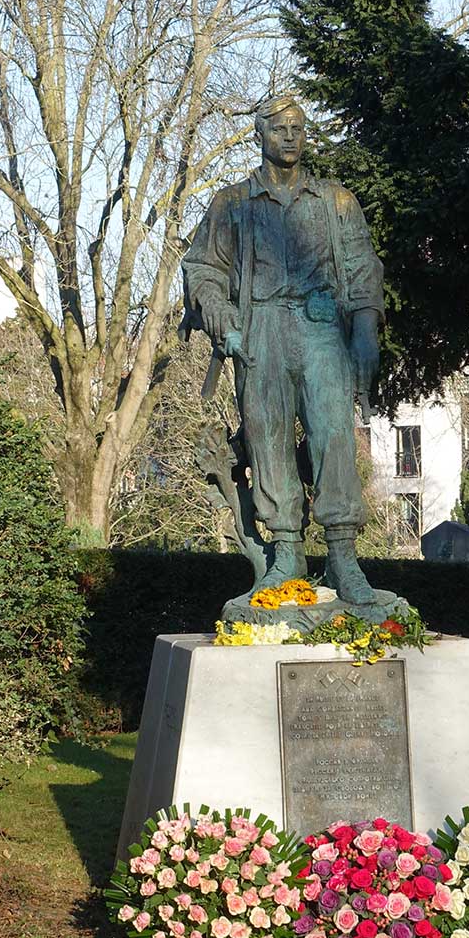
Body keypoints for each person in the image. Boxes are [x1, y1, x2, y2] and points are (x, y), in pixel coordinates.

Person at [182, 95, 384, 604]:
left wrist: (365, 335)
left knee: (334, 438)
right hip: (262, 328)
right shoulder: (232, 203)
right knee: (266, 436)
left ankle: (342, 556)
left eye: (298, 127)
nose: (291, 136)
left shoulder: (337, 202)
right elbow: (202, 267)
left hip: (321, 328)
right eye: (280, 128)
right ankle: (287, 553)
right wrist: (219, 311)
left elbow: (363, 271)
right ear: (260, 135)